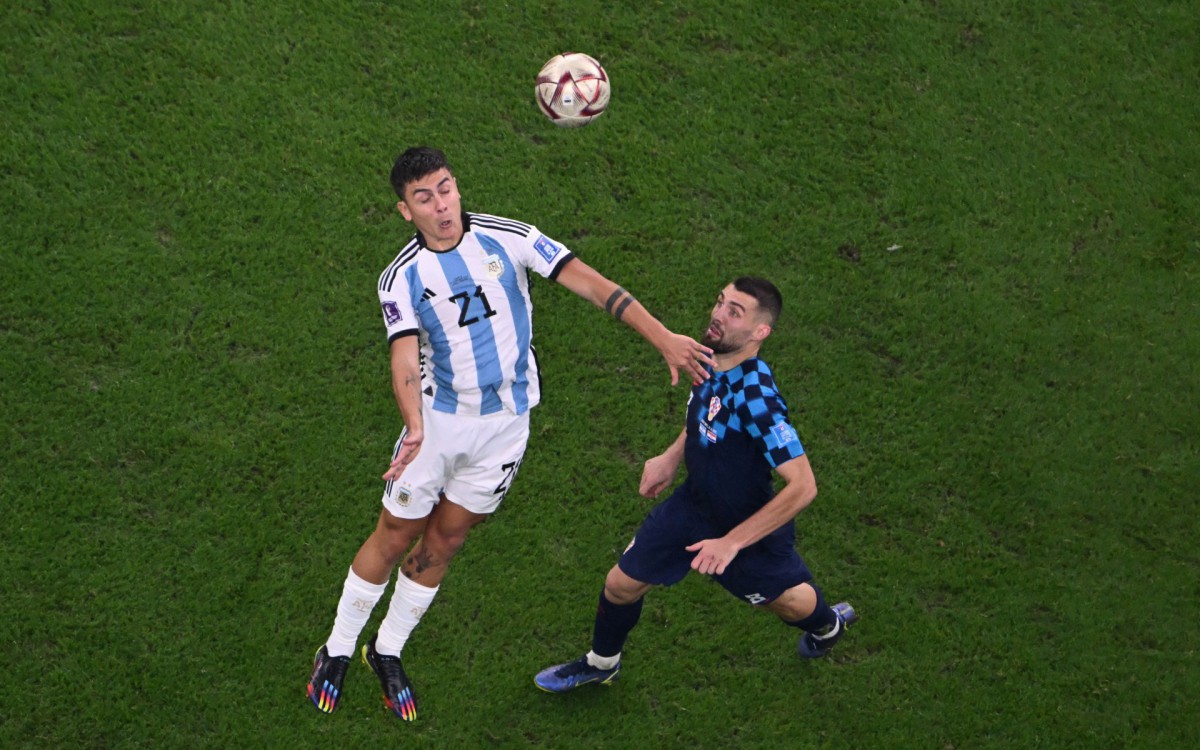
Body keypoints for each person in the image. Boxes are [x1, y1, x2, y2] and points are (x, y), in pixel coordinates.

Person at [306, 146, 715, 720]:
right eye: (424, 198)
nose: (442, 205)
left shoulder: (510, 237)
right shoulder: (401, 277)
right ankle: (340, 647)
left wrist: (663, 337)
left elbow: (596, 287)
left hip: (505, 431)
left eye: (446, 188)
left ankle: (387, 649)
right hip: (439, 426)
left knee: (446, 540)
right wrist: (415, 427)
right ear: (406, 211)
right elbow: (403, 357)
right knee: (395, 533)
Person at [533, 276, 857, 694]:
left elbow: (803, 486)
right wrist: (671, 457)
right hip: (694, 505)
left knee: (790, 601)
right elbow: (704, 417)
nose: (717, 315)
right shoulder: (708, 358)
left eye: (734, 312)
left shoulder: (757, 398)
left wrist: (731, 543)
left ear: (761, 332)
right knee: (620, 584)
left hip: (746, 528)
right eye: (720, 302)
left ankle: (827, 626)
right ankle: (602, 663)